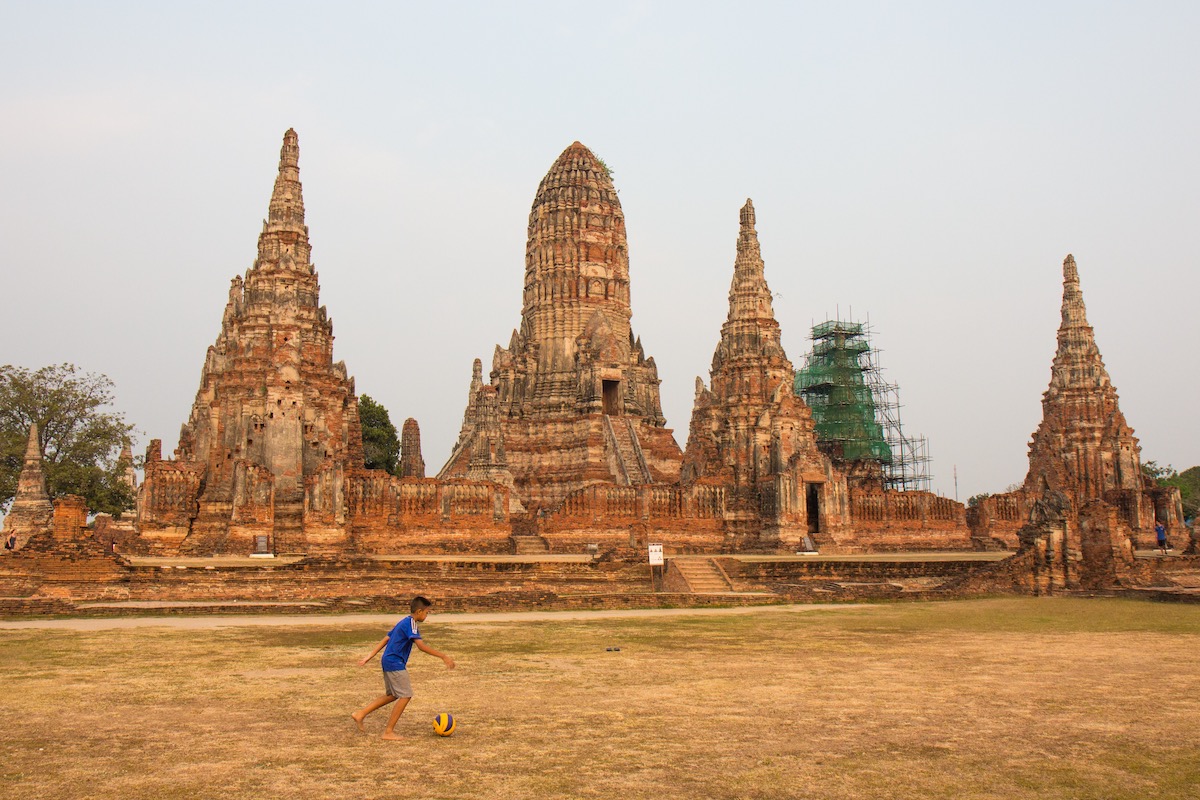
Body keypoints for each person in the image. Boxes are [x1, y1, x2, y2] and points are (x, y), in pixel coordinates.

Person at [352, 595, 455, 740]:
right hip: (395, 662)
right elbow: (421, 646)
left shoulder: (403, 622)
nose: (426, 615)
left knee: (393, 695)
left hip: (388, 660)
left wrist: (370, 656)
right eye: (426, 612)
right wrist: (443, 656)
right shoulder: (411, 623)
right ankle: (388, 732)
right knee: (405, 695)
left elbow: (386, 638)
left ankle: (360, 714)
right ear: (419, 612)